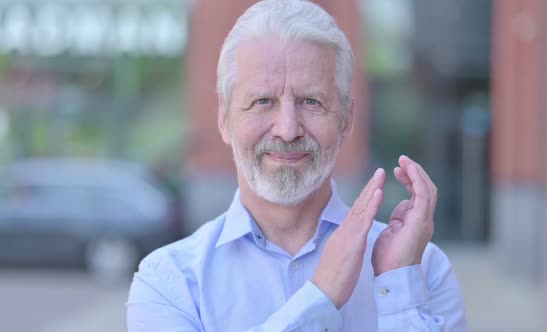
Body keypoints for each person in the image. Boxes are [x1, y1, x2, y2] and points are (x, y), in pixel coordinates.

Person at [127, 0, 467, 331]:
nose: (287, 130)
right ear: (224, 118)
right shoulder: (168, 283)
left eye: (310, 101)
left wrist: (397, 286)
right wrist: (320, 297)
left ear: (347, 120)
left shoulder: (423, 269)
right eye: (263, 101)